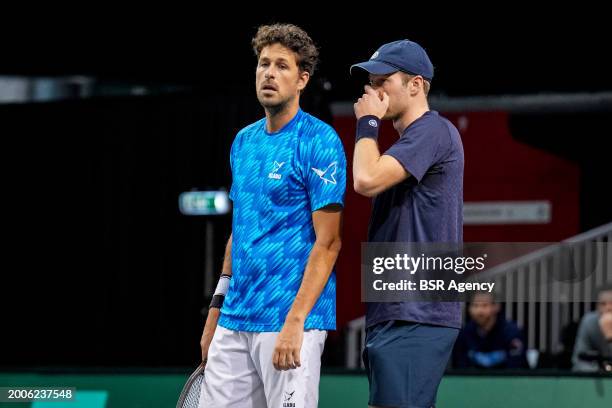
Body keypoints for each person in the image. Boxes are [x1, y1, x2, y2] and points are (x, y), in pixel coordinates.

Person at [198, 23, 346, 408]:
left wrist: (296, 321)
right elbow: (241, 230)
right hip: (234, 319)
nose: (269, 73)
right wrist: (216, 308)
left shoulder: (320, 141)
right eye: (264, 64)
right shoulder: (243, 142)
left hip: (288, 320)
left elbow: (329, 243)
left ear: (302, 79)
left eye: (282, 66)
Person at [351, 39, 464, 407]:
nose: (373, 91)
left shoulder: (433, 130)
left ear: (415, 85)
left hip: (416, 310)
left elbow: (365, 179)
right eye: (370, 82)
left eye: (383, 80)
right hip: (400, 309)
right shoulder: (413, 141)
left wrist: (367, 123)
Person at [453, 292, 527, 369]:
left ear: (496, 307)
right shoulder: (464, 333)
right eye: (475, 305)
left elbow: (516, 365)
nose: (479, 311)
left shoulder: (512, 332)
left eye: (484, 305)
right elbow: (460, 365)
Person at [572, 284, 612, 372]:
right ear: (597, 306)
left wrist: (610, 337)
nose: (608, 308)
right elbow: (578, 361)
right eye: (603, 304)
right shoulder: (589, 321)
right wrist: (600, 371)